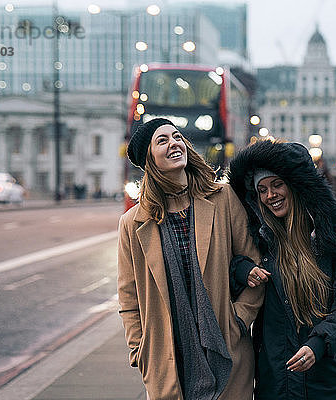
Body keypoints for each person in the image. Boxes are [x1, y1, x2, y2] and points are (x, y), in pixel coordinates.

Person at [117, 118, 264, 400]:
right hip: (167, 358)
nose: (174, 143)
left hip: (227, 348)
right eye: (162, 140)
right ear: (149, 160)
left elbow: (253, 263)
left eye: (176, 136)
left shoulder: (222, 198)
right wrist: (140, 350)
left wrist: (239, 319)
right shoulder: (132, 223)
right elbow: (128, 296)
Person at [228, 140, 336, 399]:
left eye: (277, 184)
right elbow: (224, 272)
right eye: (262, 189)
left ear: (297, 186)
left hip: (330, 376)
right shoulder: (259, 241)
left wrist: (319, 344)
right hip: (276, 377)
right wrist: (242, 269)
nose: (270, 195)